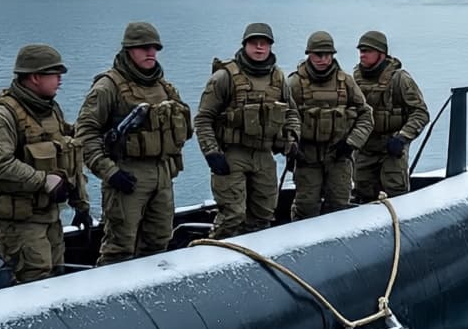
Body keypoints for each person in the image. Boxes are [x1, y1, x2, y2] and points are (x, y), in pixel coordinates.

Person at [74, 21, 193, 266]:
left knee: (159, 241)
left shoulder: (164, 87)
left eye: (154, 48)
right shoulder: (108, 87)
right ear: (129, 50)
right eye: (143, 48)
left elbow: (185, 128)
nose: (151, 53)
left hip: (162, 174)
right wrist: (109, 172)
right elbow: (85, 135)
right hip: (126, 175)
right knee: (119, 247)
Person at [0, 43, 89, 284]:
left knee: (57, 276)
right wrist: (43, 180)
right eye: (54, 74)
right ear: (35, 77)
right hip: (21, 224)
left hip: (50, 216)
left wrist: (81, 205)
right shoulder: (1, 116)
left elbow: (67, 155)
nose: (60, 80)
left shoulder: (50, 110)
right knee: (34, 282)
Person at [194, 22, 300, 239]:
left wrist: (292, 138)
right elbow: (203, 119)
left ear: (270, 46)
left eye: (264, 43)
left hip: (264, 155)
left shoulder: (278, 78)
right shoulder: (224, 77)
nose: (259, 47)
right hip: (233, 155)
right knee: (232, 215)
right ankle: (217, 249)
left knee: (263, 214)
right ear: (245, 45)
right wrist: (211, 152)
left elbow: (291, 113)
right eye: (254, 43)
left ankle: (254, 254)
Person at [287, 30, 372, 220]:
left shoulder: (346, 82)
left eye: (327, 55)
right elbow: (281, 118)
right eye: (318, 54)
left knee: (340, 206)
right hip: (307, 157)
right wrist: (290, 145)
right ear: (309, 54)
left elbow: (366, 115)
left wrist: (351, 143)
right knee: (306, 208)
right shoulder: (294, 83)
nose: (323, 59)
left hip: (338, 156)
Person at [352, 30, 430, 202]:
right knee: (362, 192)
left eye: (367, 51)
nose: (362, 55)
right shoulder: (354, 81)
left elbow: (420, 113)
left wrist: (402, 137)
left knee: (396, 191)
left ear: (381, 54)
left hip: (392, 147)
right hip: (365, 148)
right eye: (361, 51)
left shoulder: (399, 79)